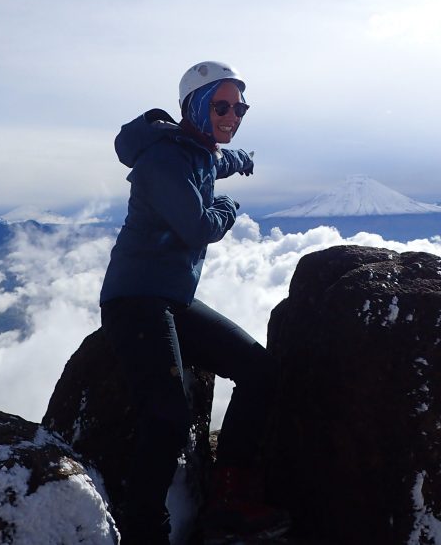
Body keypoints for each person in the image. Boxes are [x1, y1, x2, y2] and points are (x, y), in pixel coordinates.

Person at [98, 61, 289, 544]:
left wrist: (239, 157)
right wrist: (228, 206)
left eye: (240, 107)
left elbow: (211, 161)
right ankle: (144, 531)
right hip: (135, 301)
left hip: (172, 300)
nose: (233, 115)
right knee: (165, 417)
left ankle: (230, 497)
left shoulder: (195, 149)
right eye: (222, 106)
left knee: (260, 371)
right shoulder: (162, 160)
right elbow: (198, 226)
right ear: (195, 107)